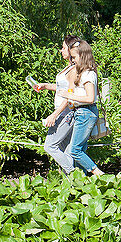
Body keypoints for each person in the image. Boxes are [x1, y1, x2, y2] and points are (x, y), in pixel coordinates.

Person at [44, 39, 104, 176]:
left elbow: (90, 98)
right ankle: (80, 181)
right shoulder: (82, 72)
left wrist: (69, 96)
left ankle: (99, 175)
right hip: (80, 112)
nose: (73, 61)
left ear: (82, 56)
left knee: (74, 151)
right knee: (77, 151)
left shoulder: (89, 74)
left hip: (85, 112)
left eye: (75, 57)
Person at [33, 35, 79, 172]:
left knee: (50, 146)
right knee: (66, 151)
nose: (61, 50)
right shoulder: (68, 68)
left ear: (71, 50)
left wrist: (54, 115)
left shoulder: (75, 69)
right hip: (62, 111)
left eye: (63, 48)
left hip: (66, 113)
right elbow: (62, 88)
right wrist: (46, 86)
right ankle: (72, 185)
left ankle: (73, 173)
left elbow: (70, 95)